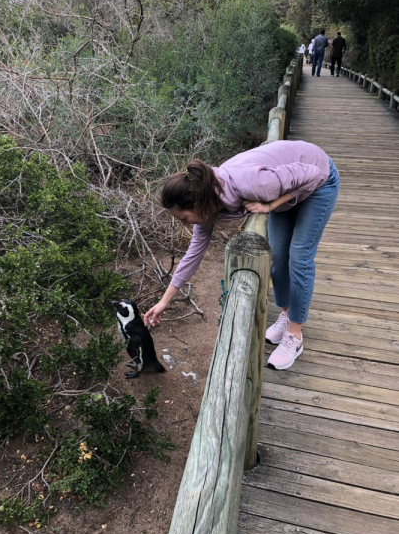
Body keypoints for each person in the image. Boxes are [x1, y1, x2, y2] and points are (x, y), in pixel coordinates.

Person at [143, 141, 340, 371]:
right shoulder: (209, 201)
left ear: (197, 204)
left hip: (319, 179)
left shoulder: (252, 184)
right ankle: (288, 314)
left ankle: (295, 335)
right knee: (278, 257)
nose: (185, 224)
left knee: (299, 257)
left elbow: (313, 175)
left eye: (184, 218)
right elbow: (193, 254)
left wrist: (272, 203)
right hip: (287, 185)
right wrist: (164, 302)